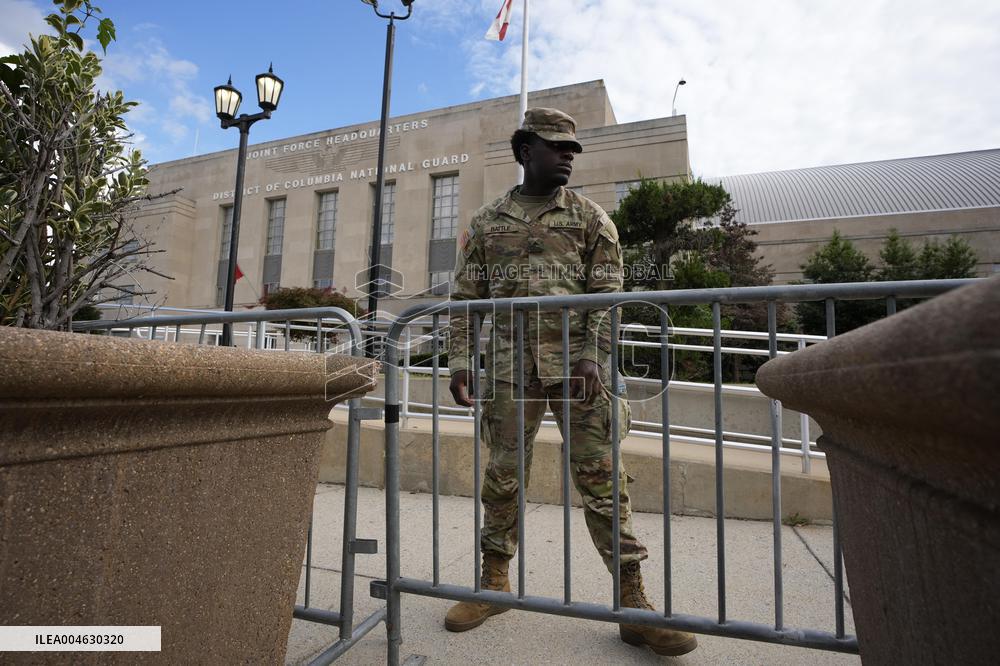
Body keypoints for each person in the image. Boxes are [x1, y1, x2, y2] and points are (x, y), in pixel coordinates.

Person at [443, 107, 697, 657]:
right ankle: (494, 585)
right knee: (503, 475)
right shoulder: (488, 222)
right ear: (524, 150)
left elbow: (608, 298)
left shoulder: (590, 219)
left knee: (604, 482)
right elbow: (465, 300)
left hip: (580, 372)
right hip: (512, 369)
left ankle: (634, 605)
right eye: (555, 146)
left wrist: (593, 358)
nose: (567, 155)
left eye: (572, 149)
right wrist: (461, 357)